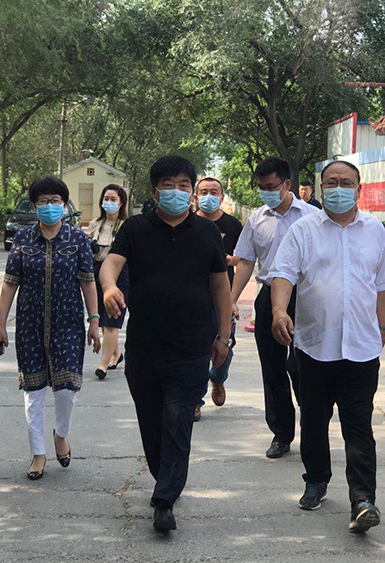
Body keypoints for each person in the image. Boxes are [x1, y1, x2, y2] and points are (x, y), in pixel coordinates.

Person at [99, 156, 231, 532]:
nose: (177, 191)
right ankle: (166, 478)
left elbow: (221, 287)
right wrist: (108, 286)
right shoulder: (136, 228)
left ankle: (164, 500)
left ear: (192, 191)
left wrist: (223, 336)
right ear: (154, 190)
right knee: (151, 418)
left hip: (192, 346)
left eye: (184, 185)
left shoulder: (207, 232)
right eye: (168, 185)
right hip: (145, 345)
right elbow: (111, 263)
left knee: (178, 417)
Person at [271, 160, 385, 534]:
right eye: (331, 183)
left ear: (359, 189)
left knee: (359, 425)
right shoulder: (304, 229)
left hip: (361, 347)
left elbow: (383, 283)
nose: (338, 188)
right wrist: (279, 310)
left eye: (346, 183)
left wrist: (381, 326)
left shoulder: (375, 231)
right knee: (314, 418)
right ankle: (316, 480)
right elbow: (284, 274)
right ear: (321, 188)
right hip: (314, 345)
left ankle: (363, 500)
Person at [0, 177, 101, 481]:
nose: (50, 206)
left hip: (68, 325)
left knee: (67, 391)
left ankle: (61, 434)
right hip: (30, 325)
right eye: (43, 201)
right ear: (34, 205)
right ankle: (38, 453)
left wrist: (94, 321)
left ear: (64, 205)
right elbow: (9, 283)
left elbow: (88, 281)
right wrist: (0, 326)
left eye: (55, 200)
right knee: (33, 392)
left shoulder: (77, 239)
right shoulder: (22, 239)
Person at [231, 157, 318, 459]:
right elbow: (246, 261)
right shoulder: (257, 219)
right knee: (272, 367)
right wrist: (231, 299)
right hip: (269, 298)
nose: (266, 192)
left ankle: (312, 428)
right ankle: (281, 433)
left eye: (271, 186)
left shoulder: (313, 217)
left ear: (287, 184)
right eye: (262, 187)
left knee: (303, 366)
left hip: (305, 299)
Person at [194, 177, 243, 420]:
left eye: (214, 192)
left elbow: (245, 259)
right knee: (196, 351)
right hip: (194, 298)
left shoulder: (232, 225)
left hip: (223, 299)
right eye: (203, 192)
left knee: (224, 347)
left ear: (222, 197)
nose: (208, 196)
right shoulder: (187, 222)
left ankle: (218, 379)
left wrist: (230, 261)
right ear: (195, 197)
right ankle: (195, 399)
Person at [87, 184, 130, 380]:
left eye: (113, 199)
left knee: (112, 321)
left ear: (121, 203)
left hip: (119, 274)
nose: (109, 203)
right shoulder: (95, 224)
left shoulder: (127, 225)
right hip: (96, 272)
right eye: (106, 199)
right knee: (103, 320)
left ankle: (103, 365)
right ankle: (116, 354)